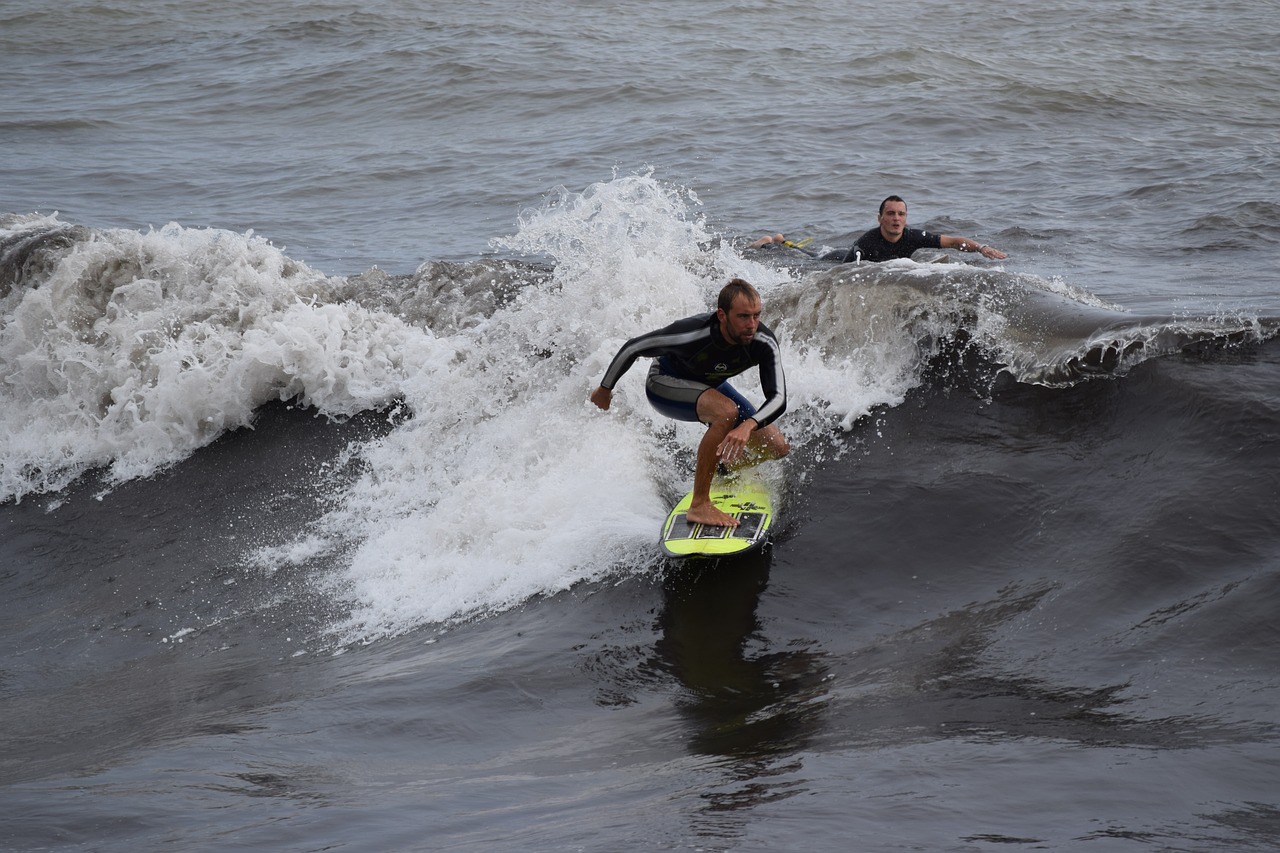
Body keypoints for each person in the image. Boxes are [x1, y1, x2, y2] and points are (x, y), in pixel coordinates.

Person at [589, 278, 790, 528]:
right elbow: (635, 347)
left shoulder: (762, 342)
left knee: (777, 447)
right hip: (665, 383)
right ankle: (700, 505)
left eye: (756, 315)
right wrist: (605, 389)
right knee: (726, 412)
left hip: (710, 386)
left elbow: (779, 398)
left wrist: (748, 425)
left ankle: (724, 468)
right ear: (722, 315)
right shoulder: (693, 333)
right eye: (743, 316)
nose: (752, 325)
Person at [750, 195, 1009, 262]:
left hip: (850, 253)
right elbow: (844, 274)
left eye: (901, 214)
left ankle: (781, 239)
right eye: (891, 214)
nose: (896, 219)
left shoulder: (913, 236)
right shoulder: (867, 242)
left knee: (813, 252)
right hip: (841, 258)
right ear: (880, 218)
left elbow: (953, 241)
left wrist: (982, 248)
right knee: (811, 257)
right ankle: (771, 243)